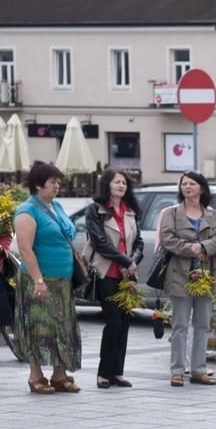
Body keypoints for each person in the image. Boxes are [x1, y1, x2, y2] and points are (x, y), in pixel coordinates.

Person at [12, 161, 82, 394]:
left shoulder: (56, 206)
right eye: (53, 182)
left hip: (62, 281)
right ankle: (36, 376)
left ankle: (59, 375)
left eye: (58, 181)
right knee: (39, 327)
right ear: (38, 185)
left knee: (61, 327)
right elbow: (25, 250)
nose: (57, 185)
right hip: (39, 281)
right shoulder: (27, 211)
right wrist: (38, 280)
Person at [160, 171, 216, 387]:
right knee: (180, 324)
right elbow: (166, 239)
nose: (187, 187)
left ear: (201, 187)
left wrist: (204, 247)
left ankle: (199, 369)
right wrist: (191, 249)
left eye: (192, 183)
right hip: (179, 274)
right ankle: (177, 371)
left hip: (206, 275)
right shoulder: (171, 213)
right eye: (184, 184)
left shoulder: (212, 214)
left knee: (202, 324)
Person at [84, 168, 145, 389]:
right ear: (107, 185)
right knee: (114, 323)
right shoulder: (95, 210)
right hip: (106, 273)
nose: (121, 186)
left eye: (124, 183)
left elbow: (138, 241)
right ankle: (103, 373)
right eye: (117, 182)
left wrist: (134, 260)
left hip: (127, 275)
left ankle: (118, 373)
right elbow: (100, 243)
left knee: (125, 323)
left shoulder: (131, 211)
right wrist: (125, 260)